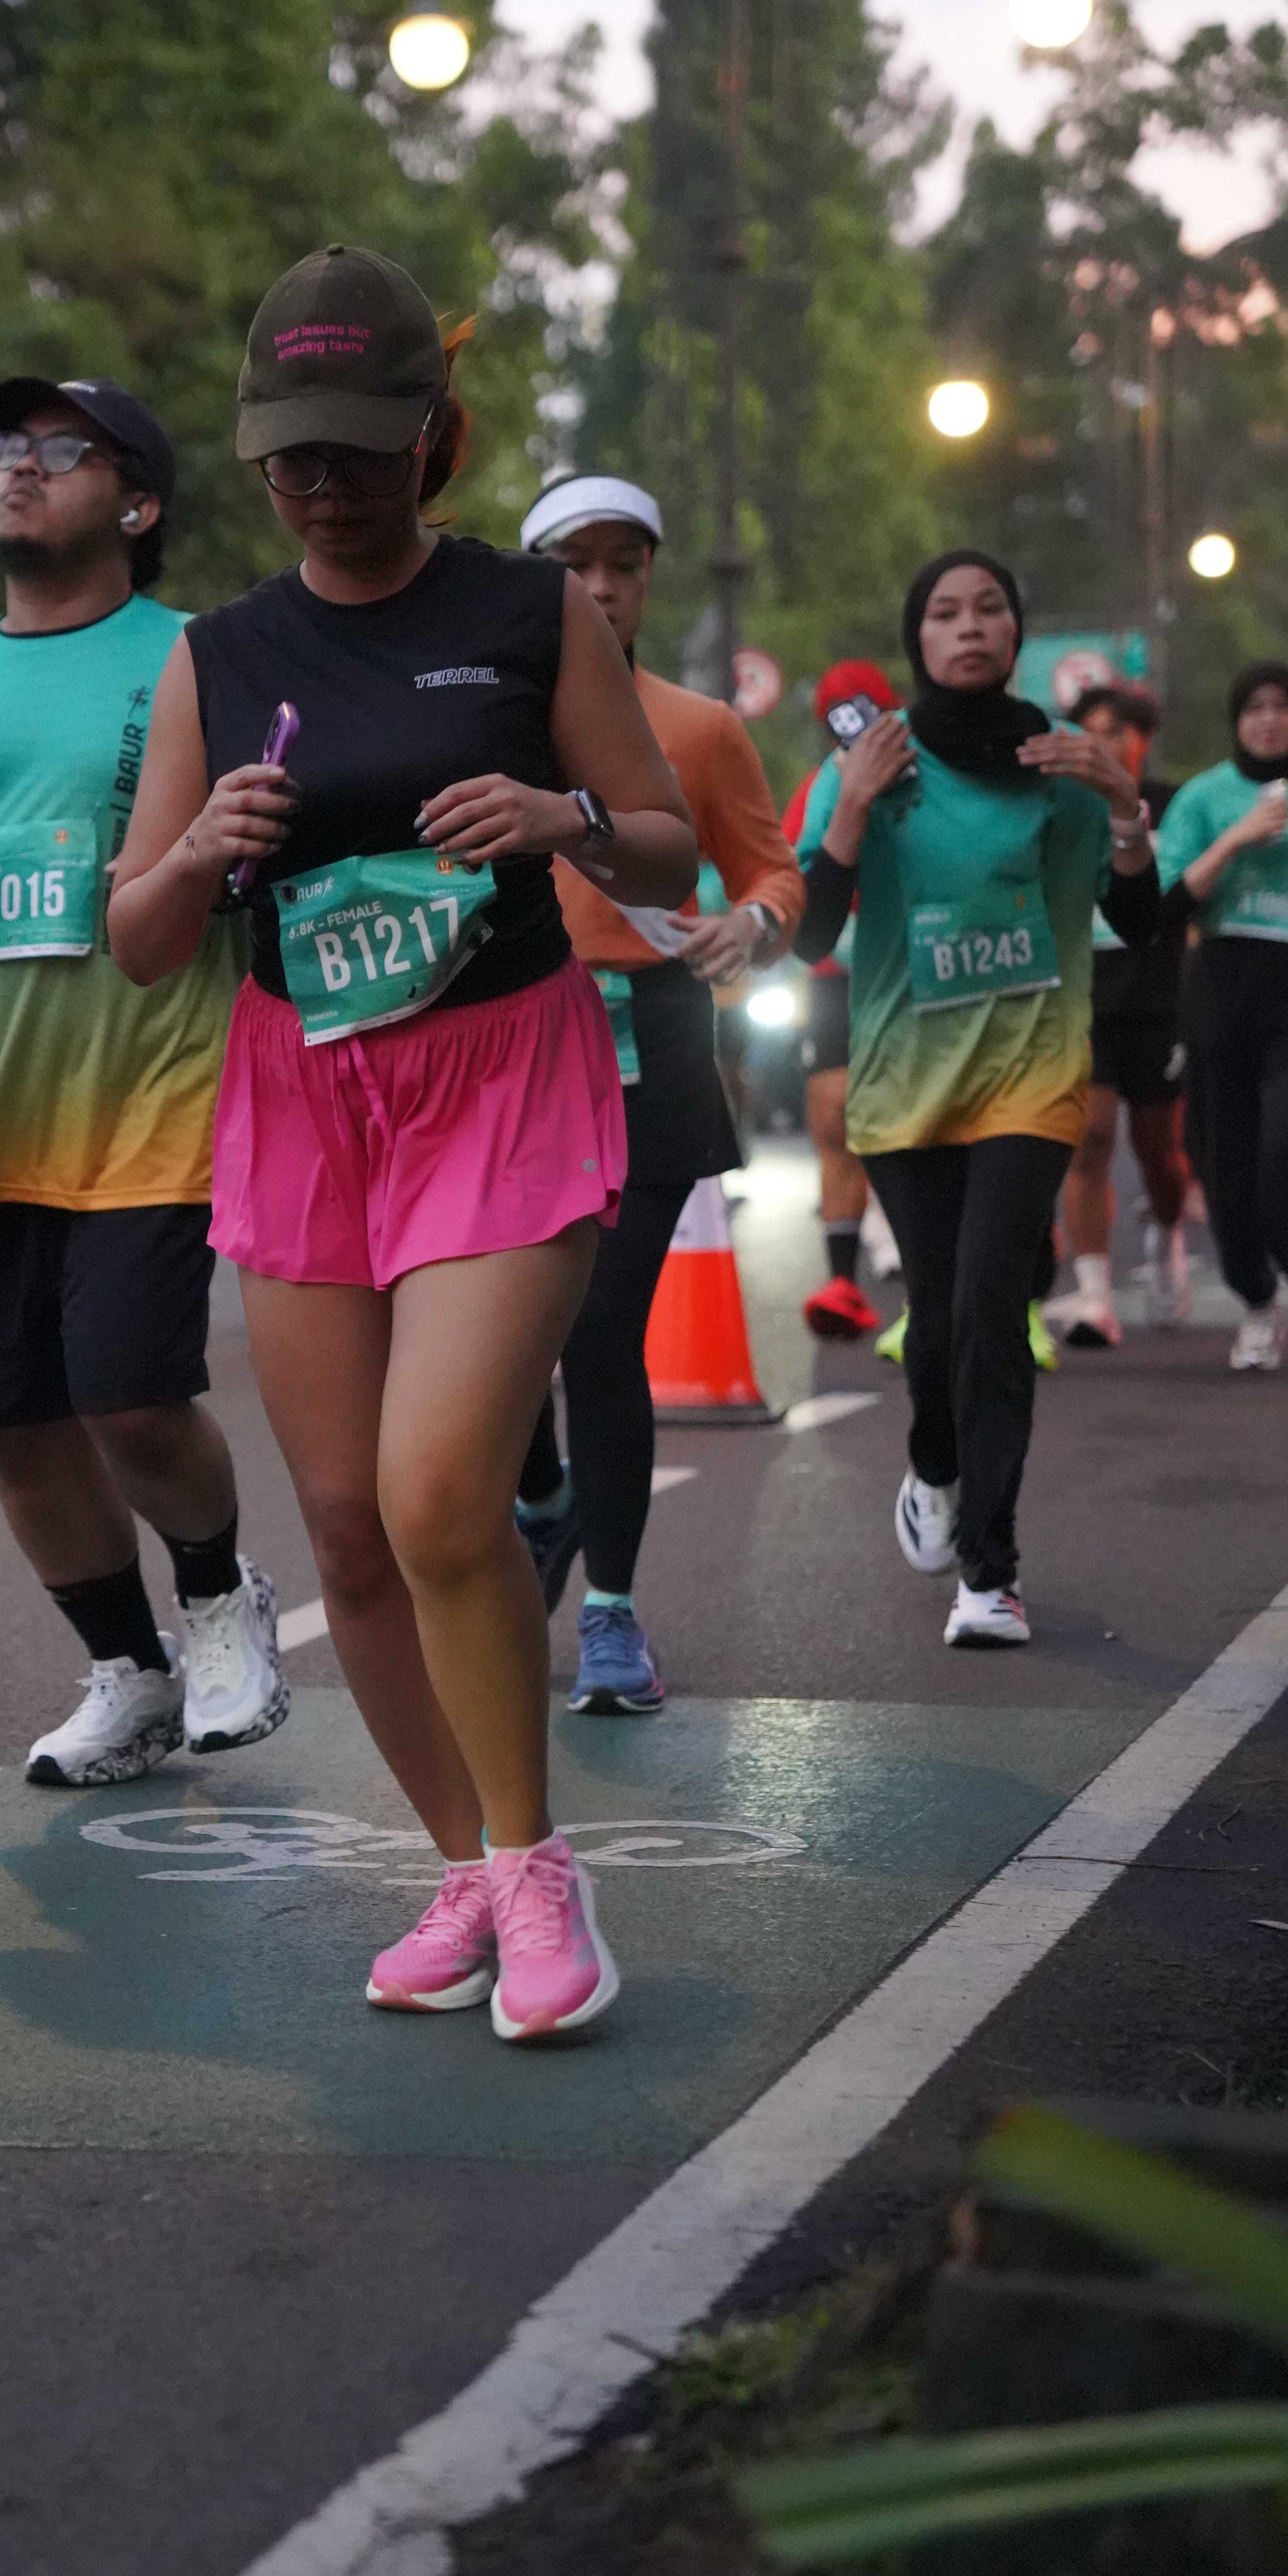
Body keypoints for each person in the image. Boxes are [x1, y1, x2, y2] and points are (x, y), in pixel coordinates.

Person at [108, 246, 696, 2041]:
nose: (321, 480)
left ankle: (538, 1871)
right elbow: (138, 937)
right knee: (352, 1531)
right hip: (305, 1093)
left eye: (356, 448)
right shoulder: (216, 656)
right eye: (289, 451)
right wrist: (200, 849)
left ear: (430, 436)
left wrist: (562, 814)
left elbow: (669, 842)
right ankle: (464, 1868)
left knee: (443, 1489)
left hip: (498, 1074)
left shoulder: (532, 613)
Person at [0, 376, 287, 1788]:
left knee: (132, 1396)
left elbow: (276, 845)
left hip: (157, 1091)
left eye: (62, 451)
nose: (19, 469)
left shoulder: (202, 660)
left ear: (139, 505)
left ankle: (217, 1600)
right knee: (21, 1424)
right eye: (6, 447)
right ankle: (129, 1675)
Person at [794, 550, 1160, 1648]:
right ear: (918, 638)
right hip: (905, 1081)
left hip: (1029, 1074)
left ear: (1015, 632)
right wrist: (852, 807)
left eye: (989, 609)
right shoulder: (870, 763)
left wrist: (1124, 808)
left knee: (991, 1310)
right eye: (945, 612)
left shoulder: (1063, 763)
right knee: (939, 1320)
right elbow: (809, 935)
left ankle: (989, 1574)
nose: (968, 627)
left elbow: (1139, 924)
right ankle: (933, 1462)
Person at [507, 472, 803, 1712]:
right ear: (533, 581)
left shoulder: (698, 729)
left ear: (646, 581)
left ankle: (613, 1615)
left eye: (622, 566)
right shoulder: (485, 722)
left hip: (654, 1042)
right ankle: (542, 1499)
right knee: (499, 1334)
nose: (600, 588)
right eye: (573, 566)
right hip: (508, 1048)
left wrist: (749, 926)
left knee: (597, 1331)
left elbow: (773, 876)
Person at [1043, 683, 1191, 1347]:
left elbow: (1188, 888)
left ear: (1141, 740)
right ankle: (1095, 1297)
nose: (1100, 743)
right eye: (1089, 731)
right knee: (1090, 1138)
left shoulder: (1173, 805)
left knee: (1159, 1154)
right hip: (1084, 997)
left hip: (1158, 1000)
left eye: (1114, 731)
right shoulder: (1062, 807)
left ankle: (1167, 1234)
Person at [1155, 659, 1288, 1372]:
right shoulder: (1205, 797)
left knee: (1280, 1149)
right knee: (1223, 1162)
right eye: (1254, 708)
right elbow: (1168, 906)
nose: (1269, 720)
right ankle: (1258, 1302)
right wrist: (1239, 837)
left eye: (1282, 706)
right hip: (1222, 985)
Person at [784, 660, 900, 1341]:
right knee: (834, 1118)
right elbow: (787, 875)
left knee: (918, 1118)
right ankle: (843, 1281)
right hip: (833, 975)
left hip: (912, 969)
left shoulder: (931, 773)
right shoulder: (817, 788)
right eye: (840, 715)